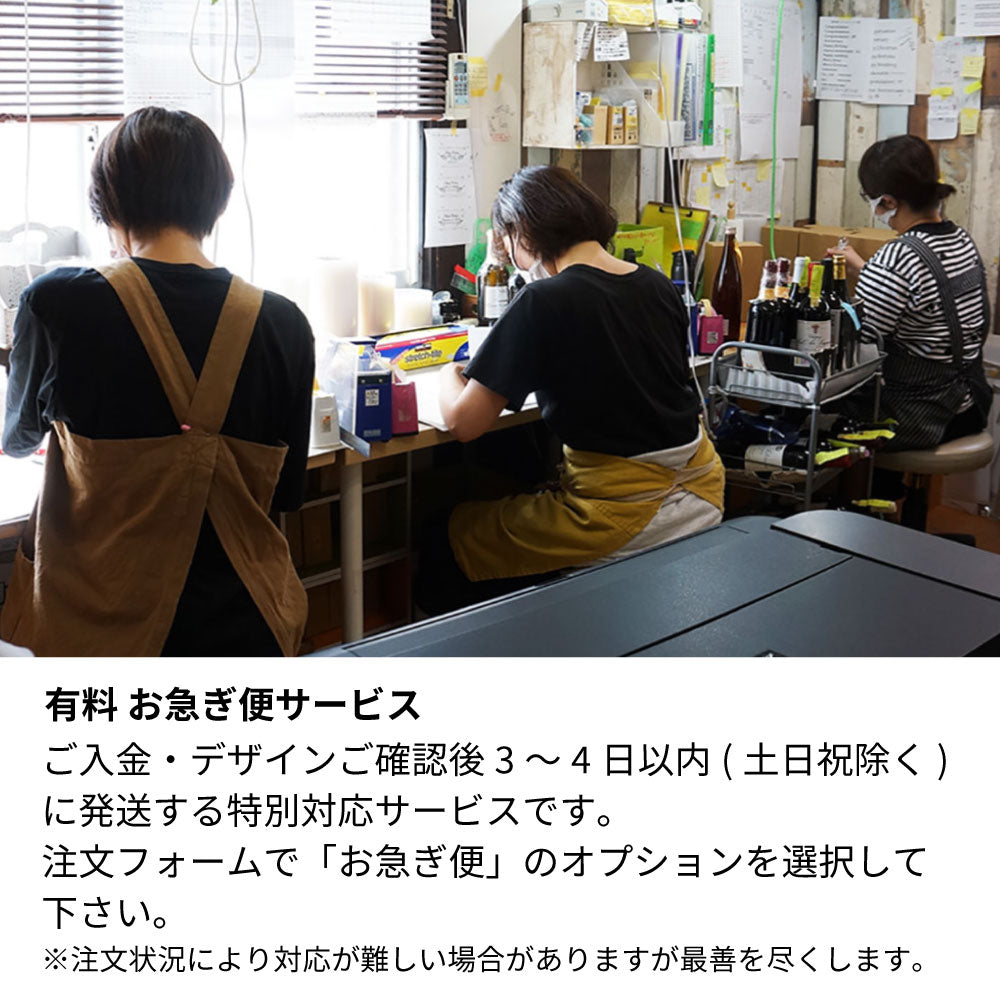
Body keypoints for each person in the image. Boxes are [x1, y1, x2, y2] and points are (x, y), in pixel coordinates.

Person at [1, 107, 313, 656]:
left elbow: (18, 438)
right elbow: (287, 493)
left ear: (109, 203)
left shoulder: (56, 302)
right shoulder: (285, 322)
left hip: (103, 628)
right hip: (250, 623)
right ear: (217, 201)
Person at [418, 165, 724, 614]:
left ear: (522, 232)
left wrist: (450, 371)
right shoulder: (656, 284)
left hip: (625, 514)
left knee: (448, 534)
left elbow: (464, 423)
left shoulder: (544, 299)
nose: (516, 263)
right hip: (703, 490)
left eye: (509, 246)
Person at [830, 134, 992, 452]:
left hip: (919, 417)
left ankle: (871, 485)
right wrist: (865, 270)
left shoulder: (896, 259)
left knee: (816, 419)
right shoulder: (961, 240)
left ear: (889, 202)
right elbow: (925, 296)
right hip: (970, 405)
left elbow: (857, 352)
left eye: (871, 199)